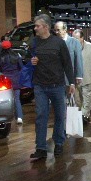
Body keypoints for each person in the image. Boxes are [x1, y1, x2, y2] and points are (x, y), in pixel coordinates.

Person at [28, 14, 75, 160]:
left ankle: (59, 143)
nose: (35, 28)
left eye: (37, 26)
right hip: (40, 85)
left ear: (46, 27)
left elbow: (67, 63)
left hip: (57, 85)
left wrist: (72, 82)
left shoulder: (58, 43)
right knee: (41, 116)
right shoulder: (34, 42)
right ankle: (41, 147)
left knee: (60, 115)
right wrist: (31, 61)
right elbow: (27, 59)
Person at [72, 29, 91, 123]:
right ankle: (83, 116)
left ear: (82, 38)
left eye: (77, 38)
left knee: (87, 100)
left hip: (88, 79)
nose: (74, 40)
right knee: (78, 101)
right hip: (75, 80)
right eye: (73, 38)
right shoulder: (71, 48)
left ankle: (84, 116)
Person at [0, 40, 24, 125]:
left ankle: (5, 118)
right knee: (17, 99)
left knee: (5, 100)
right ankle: (19, 117)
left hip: (5, 80)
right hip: (16, 79)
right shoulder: (16, 56)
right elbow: (21, 67)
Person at [54, 21, 83, 88]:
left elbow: (78, 59)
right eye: (55, 30)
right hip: (56, 80)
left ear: (65, 30)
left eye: (58, 30)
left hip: (70, 79)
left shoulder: (74, 42)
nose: (56, 32)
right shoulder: (54, 43)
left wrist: (79, 76)